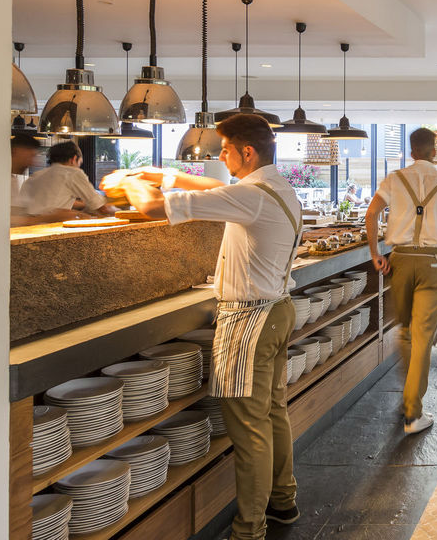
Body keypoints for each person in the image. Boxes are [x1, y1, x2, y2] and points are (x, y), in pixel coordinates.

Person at [107, 114, 304, 539]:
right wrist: (169, 173)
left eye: (226, 150)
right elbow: (219, 190)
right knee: (272, 414)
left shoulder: (251, 197)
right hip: (278, 311)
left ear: (246, 152)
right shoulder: (277, 187)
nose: (221, 156)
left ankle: (249, 530)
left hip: (250, 319)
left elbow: (154, 207)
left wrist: (128, 180)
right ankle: (283, 502)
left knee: (250, 431)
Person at [366, 128, 437, 435]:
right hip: (432, 264)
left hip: (398, 261)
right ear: (433, 151)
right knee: (423, 337)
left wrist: (375, 254)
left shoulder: (393, 180)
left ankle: (409, 397)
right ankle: (413, 412)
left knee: (407, 332)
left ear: (411, 151)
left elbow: (371, 215)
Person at [18, 141, 113, 219]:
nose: (78, 167)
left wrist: (82, 206)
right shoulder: (72, 173)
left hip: (28, 226)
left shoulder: (35, 176)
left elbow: (49, 201)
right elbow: (98, 205)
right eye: (79, 163)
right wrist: (116, 210)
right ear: (74, 159)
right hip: (52, 227)